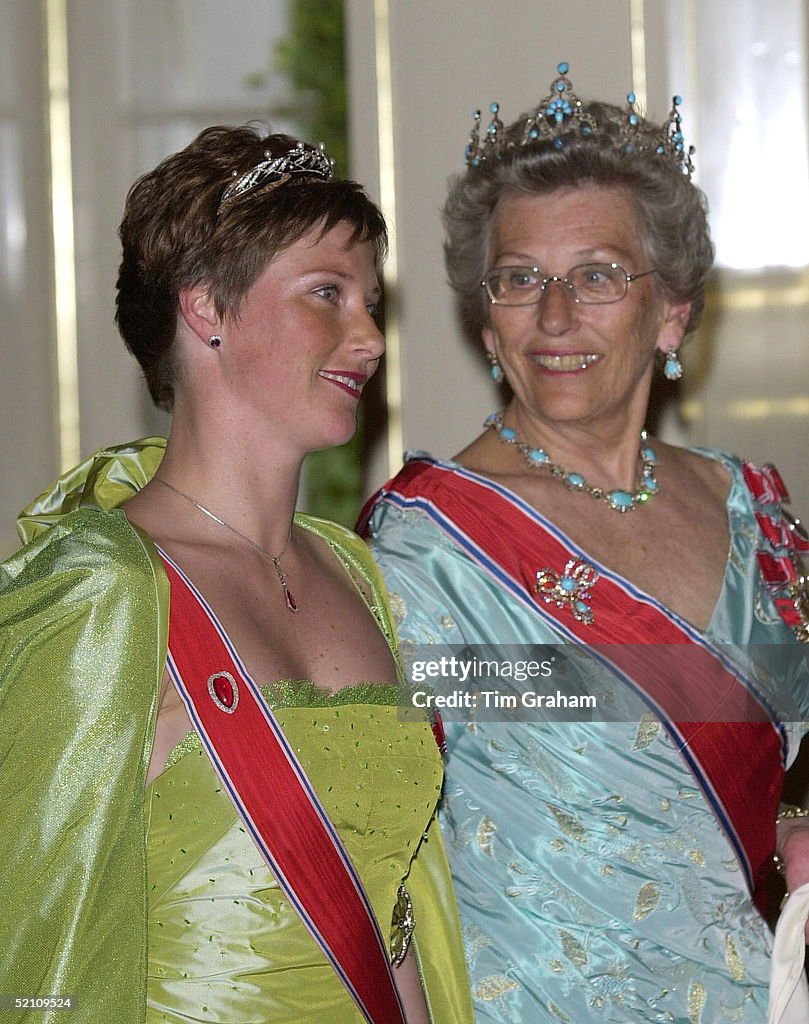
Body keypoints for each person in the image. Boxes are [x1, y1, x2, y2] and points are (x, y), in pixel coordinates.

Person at [360, 64, 809, 1022]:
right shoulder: (431, 548)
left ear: (674, 310)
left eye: (597, 275)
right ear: (487, 320)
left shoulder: (754, 511)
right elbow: (374, 851)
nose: (555, 317)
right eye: (521, 279)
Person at [0, 125, 473, 1024]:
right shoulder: (101, 591)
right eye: (326, 294)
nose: (369, 338)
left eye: (371, 301)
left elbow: (394, 918)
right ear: (206, 309)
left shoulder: (352, 570)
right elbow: (31, 954)